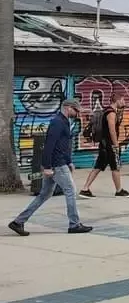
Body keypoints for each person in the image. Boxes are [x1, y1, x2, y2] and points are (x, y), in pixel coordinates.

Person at [9, 98, 92, 236]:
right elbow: (48, 146)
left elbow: (63, 146)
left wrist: (69, 161)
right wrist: (47, 166)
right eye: (76, 110)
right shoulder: (57, 123)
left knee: (44, 195)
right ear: (68, 108)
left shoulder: (64, 122)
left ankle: (18, 222)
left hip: (60, 163)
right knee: (70, 191)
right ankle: (74, 224)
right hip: (57, 165)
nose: (77, 113)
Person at [80, 96, 129, 198]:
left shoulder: (107, 111)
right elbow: (112, 130)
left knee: (98, 166)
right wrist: (116, 145)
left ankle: (85, 189)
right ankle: (119, 190)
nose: (124, 102)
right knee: (115, 167)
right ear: (117, 100)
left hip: (104, 144)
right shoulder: (111, 113)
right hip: (109, 145)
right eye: (122, 100)